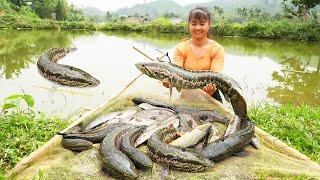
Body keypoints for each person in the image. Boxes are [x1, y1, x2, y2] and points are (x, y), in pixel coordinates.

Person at [163, 6, 225, 102]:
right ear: (189, 25)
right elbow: (175, 74)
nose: (197, 28)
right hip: (188, 96)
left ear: (209, 25)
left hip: (211, 95)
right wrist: (170, 82)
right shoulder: (181, 48)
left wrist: (210, 90)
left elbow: (215, 78)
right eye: (194, 24)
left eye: (202, 24)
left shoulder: (217, 49)